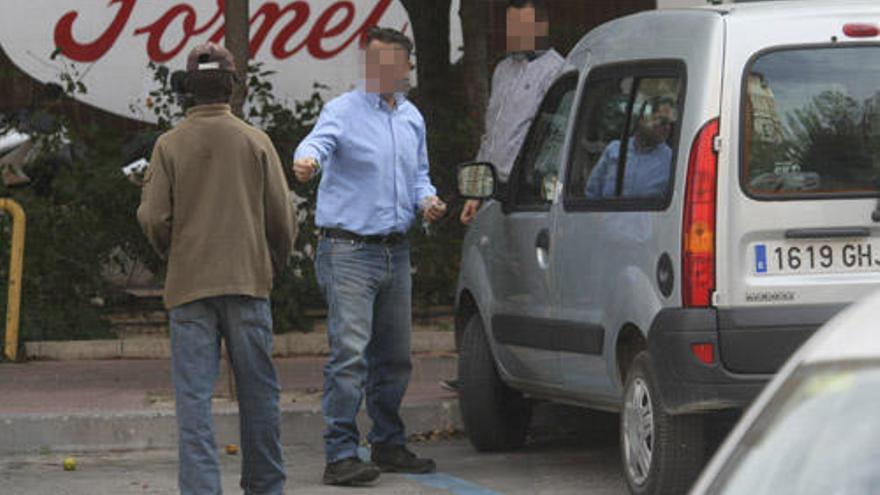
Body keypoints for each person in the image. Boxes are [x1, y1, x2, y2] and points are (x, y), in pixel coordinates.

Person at [137, 42, 296, 495]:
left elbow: (152, 217)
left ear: (187, 90)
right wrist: (270, 264)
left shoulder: (169, 145)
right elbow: (283, 219)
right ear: (231, 86)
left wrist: (176, 251)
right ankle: (266, 485)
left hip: (189, 286)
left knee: (193, 401)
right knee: (259, 395)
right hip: (248, 281)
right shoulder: (255, 141)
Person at [292, 27, 446, 487]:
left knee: (395, 356)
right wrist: (306, 162)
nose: (380, 72)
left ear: (405, 69)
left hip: (395, 252)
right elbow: (315, 145)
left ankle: (387, 443)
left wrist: (428, 201)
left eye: (390, 65)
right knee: (349, 356)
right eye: (373, 63)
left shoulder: (411, 117)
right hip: (349, 251)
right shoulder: (342, 110)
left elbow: (419, 175)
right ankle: (340, 453)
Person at [460, 0, 566, 225]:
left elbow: (556, 138)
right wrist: (475, 193)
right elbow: (491, 136)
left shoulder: (558, 71)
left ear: (541, 26)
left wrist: (545, 194)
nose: (515, 33)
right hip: (492, 193)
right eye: (511, 26)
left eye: (522, 26)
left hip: (527, 194)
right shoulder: (502, 70)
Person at [585, 97, 677, 199]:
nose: (667, 128)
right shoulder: (614, 150)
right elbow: (592, 193)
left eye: (670, 123)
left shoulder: (671, 161)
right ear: (643, 120)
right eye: (662, 122)